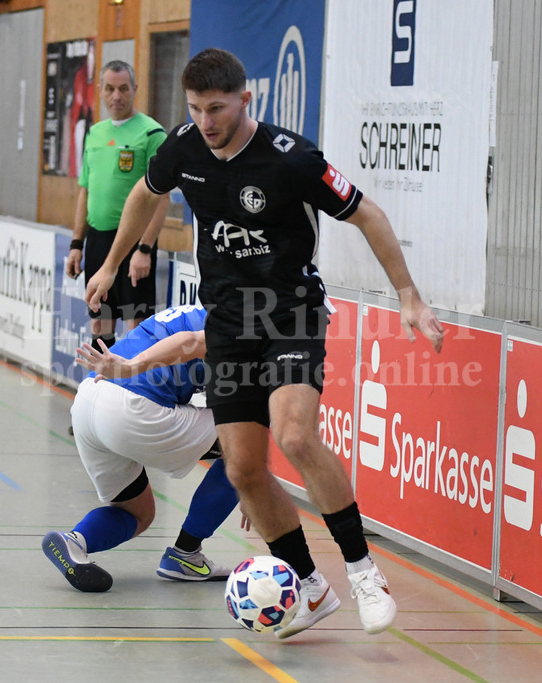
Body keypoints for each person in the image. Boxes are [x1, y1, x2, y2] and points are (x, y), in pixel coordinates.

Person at [85, 48, 445, 638]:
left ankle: (362, 573)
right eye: (197, 108)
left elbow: (369, 215)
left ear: (246, 99)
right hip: (228, 323)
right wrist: (112, 264)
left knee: (296, 434)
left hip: (291, 314)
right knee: (245, 471)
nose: (207, 121)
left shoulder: (293, 159)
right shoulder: (183, 147)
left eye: (218, 108)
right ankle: (310, 586)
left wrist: (408, 294)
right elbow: (145, 195)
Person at [42, 304, 239, 592]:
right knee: (246, 445)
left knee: (137, 513)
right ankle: (186, 555)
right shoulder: (242, 322)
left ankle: (74, 541)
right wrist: (249, 475)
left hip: (88, 399)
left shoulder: (192, 310)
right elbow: (194, 345)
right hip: (131, 405)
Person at [65, 60, 169, 350]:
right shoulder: (95, 133)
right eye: (109, 89)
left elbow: (161, 198)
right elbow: (85, 191)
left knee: (137, 326)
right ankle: (101, 389)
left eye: (123, 88)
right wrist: (77, 243)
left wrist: (145, 249)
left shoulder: (151, 134)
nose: (117, 96)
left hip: (134, 243)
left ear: (134, 89)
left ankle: (134, 391)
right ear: (99, 90)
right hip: (98, 239)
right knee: (100, 321)